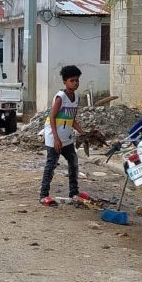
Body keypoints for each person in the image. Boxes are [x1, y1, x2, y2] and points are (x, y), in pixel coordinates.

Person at [40, 65, 87, 205]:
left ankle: (74, 192)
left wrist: (83, 132)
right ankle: (43, 195)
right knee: (51, 165)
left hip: (66, 137)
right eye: (72, 80)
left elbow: (71, 119)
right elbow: (52, 117)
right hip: (54, 137)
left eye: (77, 80)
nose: (75, 83)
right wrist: (56, 139)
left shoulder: (76, 97)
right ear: (65, 82)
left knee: (73, 162)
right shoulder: (60, 97)